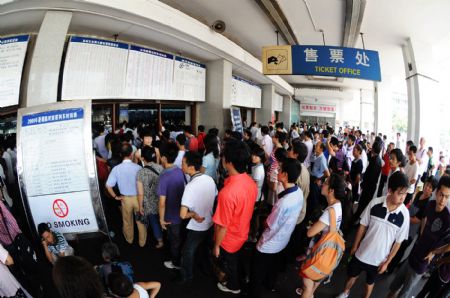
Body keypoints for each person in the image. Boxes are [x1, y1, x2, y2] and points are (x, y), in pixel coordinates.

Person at [337, 171, 410, 298]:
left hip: (379, 260)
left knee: (369, 283)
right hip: (362, 252)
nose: (403, 197)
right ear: (390, 190)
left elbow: (398, 242)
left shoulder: (404, 215)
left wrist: (387, 262)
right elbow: (362, 226)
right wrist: (354, 246)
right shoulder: (375, 203)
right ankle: (345, 293)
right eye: (400, 193)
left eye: (405, 193)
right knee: (352, 276)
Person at [388, 175, 450, 298]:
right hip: (413, 254)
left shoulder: (447, 218)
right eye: (441, 195)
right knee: (394, 286)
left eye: (447, 197)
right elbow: (424, 218)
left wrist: (434, 252)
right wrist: (422, 234)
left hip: (422, 264)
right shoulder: (430, 205)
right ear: (437, 193)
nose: (443, 200)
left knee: (403, 294)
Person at [249, 158, 303, 298]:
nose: (276, 171)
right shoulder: (298, 193)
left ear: (285, 175)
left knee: (257, 273)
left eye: (279, 169)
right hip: (283, 240)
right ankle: (269, 284)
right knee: (272, 268)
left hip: (268, 243)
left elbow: (269, 224)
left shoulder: (283, 203)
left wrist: (262, 223)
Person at [212, 140, 258, 294]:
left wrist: (217, 245)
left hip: (229, 239)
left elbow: (222, 225)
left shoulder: (227, 193)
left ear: (228, 162)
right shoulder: (250, 182)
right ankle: (242, 277)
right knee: (237, 258)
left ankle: (233, 286)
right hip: (242, 232)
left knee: (230, 264)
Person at [297, 173, 345, 298]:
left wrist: (312, 226)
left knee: (307, 284)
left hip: (319, 252)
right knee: (316, 280)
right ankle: (311, 294)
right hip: (329, 254)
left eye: (326, 182)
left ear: (331, 190)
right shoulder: (338, 206)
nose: (322, 184)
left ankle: (308, 293)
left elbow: (310, 233)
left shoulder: (329, 212)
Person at [179, 151, 217, 282]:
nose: (181, 165)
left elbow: (183, 215)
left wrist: (193, 214)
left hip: (198, 225)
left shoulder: (190, 186)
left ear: (191, 167)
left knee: (187, 251)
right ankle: (206, 269)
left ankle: (187, 276)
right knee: (204, 248)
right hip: (210, 222)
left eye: (183, 163)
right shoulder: (209, 179)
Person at [106, 143, 146, 246]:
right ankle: (142, 242)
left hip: (125, 199)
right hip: (138, 198)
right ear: (131, 154)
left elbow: (108, 185)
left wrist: (115, 197)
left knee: (127, 221)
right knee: (141, 221)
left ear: (120, 154)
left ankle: (129, 240)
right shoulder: (138, 168)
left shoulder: (116, 169)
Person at [158, 142, 186, 270]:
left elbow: (162, 202)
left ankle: (176, 263)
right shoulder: (180, 171)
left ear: (163, 158)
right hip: (181, 213)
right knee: (178, 239)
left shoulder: (164, 176)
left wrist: (161, 219)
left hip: (170, 216)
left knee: (174, 241)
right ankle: (179, 259)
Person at [137, 146, 164, 249]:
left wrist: (140, 206)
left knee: (154, 221)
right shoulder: (161, 168)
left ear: (143, 158)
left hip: (149, 202)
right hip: (161, 199)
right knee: (162, 218)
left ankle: (160, 241)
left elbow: (140, 193)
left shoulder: (141, 172)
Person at [353, 141, 382, 221]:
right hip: (370, 186)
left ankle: (357, 219)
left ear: (373, 149)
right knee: (364, 204)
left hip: (368, 186)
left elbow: (370, 176)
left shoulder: (375, 161)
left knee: (363, 204)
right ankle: (358, 218)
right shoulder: (377, 159)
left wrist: (363, 184)